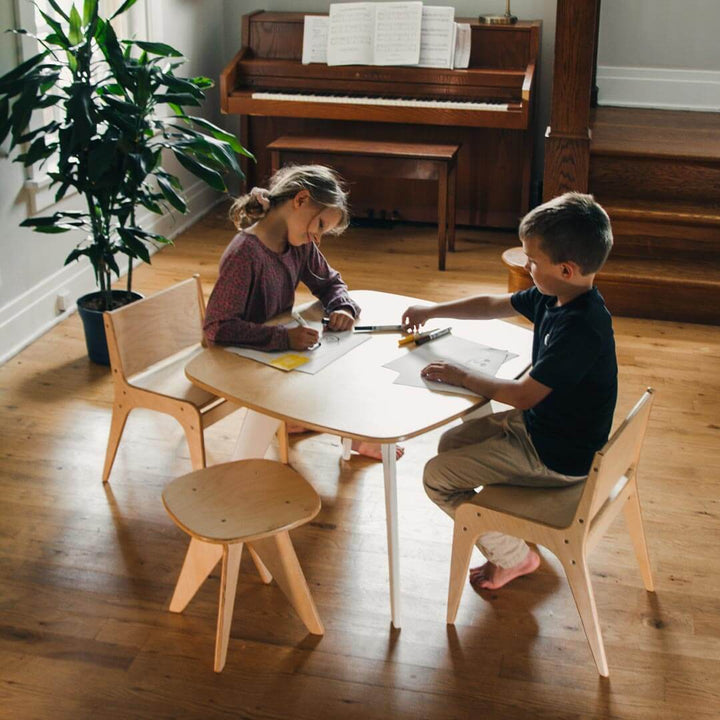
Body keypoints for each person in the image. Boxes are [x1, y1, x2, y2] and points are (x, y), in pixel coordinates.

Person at [402, 192, 616, 590]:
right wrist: (432, 309)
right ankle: (507, 523)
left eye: (532, 260)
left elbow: (522, 395)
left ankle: (517, 558)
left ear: (566, 269)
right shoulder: (557, 296)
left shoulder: (581, 328)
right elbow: (490, 304)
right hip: (543, 432)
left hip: (556, 458)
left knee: (436, 477)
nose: (525, 265)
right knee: (450, 443)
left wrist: (462, 376)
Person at [204, 164, 402, 460]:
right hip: (240, 355)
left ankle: (337, 430)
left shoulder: (298, 244)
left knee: (345, 355)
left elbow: (332, 283)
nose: (318, 238)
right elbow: (216, 329)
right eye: (320, 225)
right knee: (330, 369)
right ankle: (314, 424)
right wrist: (283, 338)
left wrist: (342, 306)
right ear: (300, 200)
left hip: (271, 348)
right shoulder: (245, 253)